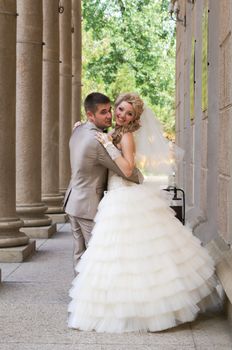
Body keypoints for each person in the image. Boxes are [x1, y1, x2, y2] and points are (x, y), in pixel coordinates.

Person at [68, 92, 220, 333]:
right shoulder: (114, 133)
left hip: (125, 195)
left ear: (135, 117)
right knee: (118, 255)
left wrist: (109, 146)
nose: (121, 116)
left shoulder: (126, 136)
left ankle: (147, 308)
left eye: (129, 113)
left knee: (133, 253)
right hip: (115, 196)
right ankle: (121, 301)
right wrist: (83, 127)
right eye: (119, 110)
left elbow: (128, 168)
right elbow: (99, 136)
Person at [64, 92, 141, 270]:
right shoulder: (99, 141)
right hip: (87, 205)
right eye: (104, 112)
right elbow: (127, 171)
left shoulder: (78, 130)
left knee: (80, 254)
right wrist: (140, 177)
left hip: (73, 201)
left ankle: (81, 296)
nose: (111, 116)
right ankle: (93, 297)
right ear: (90, 115)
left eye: (110, 110)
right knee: (97, 255)